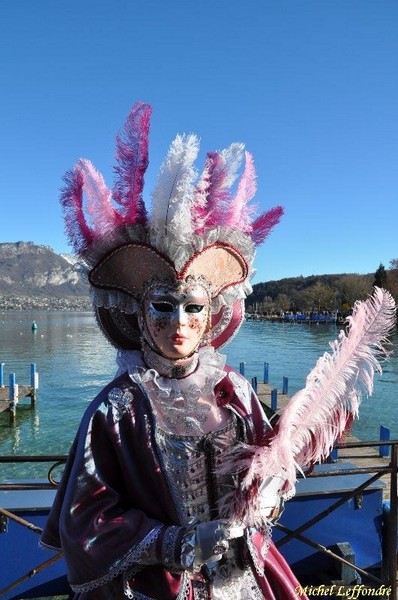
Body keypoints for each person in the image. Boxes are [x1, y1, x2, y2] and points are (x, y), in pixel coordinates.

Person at [41, 102, 309, 599]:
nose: (179, 323)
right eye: (164, 306)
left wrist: (268, 496)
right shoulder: (117, 409)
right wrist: (175, 543)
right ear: (139, 314)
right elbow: (86, 517)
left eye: (193, 307)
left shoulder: (235, 390)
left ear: (212, 315)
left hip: (247, 576)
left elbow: (265, 464)